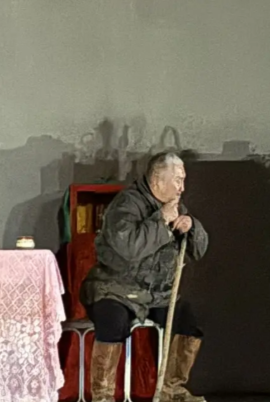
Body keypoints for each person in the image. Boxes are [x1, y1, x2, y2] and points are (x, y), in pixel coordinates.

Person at [81, 152, 210, 402]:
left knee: (187, 321)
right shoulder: (125, 205)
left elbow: (198, 251)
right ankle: (102, 396)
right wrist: (161, 220)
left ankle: (172, 390)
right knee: (113, 321)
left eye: (183, 180)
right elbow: (129, 248)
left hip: (157, 295)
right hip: (115, 289)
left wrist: (191, 226)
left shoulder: (175, 206)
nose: (182, 188)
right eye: (178, 180)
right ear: (158, 180)